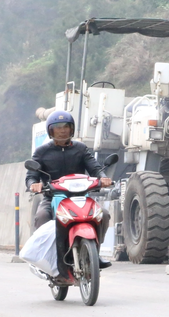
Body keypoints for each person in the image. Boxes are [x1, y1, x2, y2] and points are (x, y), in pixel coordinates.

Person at [25, 110, 113, 280]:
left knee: (104, 214)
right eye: (58, 127)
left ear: (72, 129)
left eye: (66, 127)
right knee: (42, 216)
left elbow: (95, 168)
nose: (62, 130)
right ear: (50, 130)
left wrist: (103, 178)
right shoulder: (42, 152)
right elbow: (31, 176)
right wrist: (34, 185)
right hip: (53, 197)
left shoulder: (80, 149)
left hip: (80, 197)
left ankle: (95, 252)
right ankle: (46, 259)